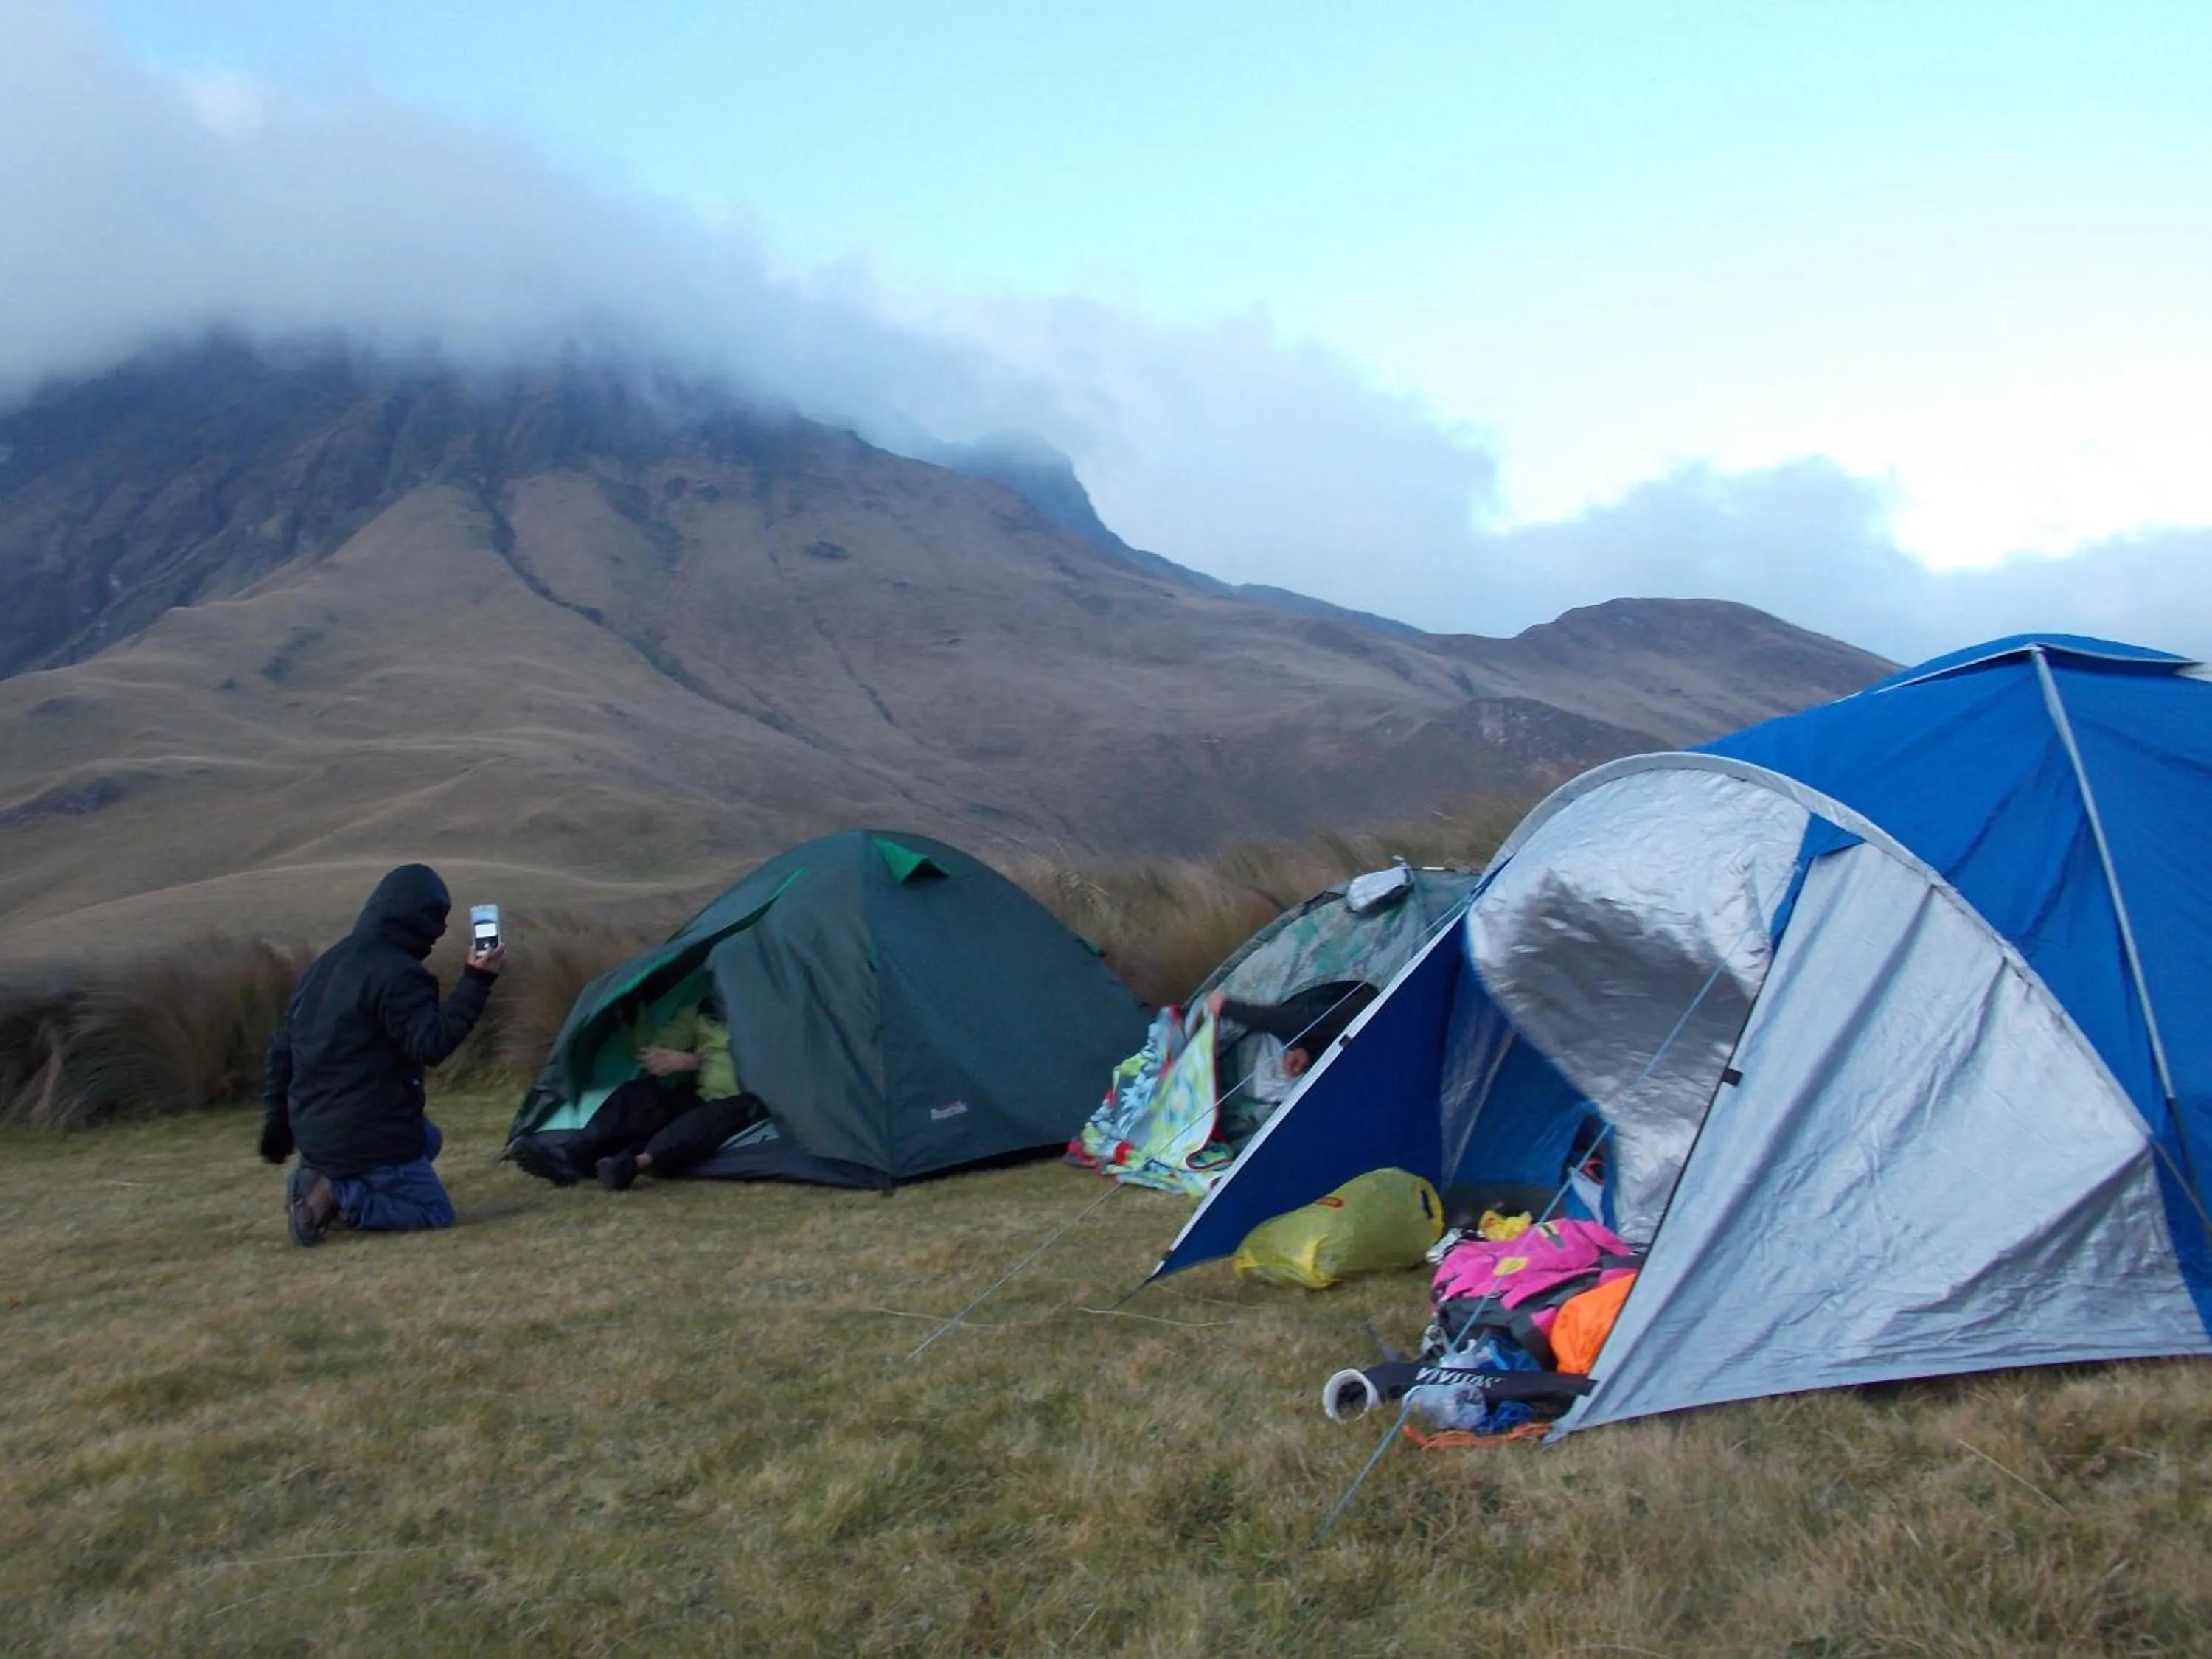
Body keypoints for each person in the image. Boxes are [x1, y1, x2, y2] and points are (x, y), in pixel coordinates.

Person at [259, 863, 504, 1246]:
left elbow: (281, 1051)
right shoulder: (399, 974)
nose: (438, 934)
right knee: (434, 1212)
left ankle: (326, 1172)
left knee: (429, 1140)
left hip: (315, 1129)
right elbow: (433, 1044)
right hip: (364, 1132)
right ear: (416, 919)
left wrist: (277, 1127)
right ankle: (334, 1196)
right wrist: (478, 981)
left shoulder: (322, 968)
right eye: (435, 921)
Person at [509, 990, 768, 1192]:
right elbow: (655, 1049)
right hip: (701, 1097)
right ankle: (568, 1154)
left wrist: (693, 1062)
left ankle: (635, 1164)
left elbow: (760, 1068)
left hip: (748, 1104)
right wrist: (636, 1021)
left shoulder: (770, 1015)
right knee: (640, 1095)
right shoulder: (703, 1011)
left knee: (714, 1115)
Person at [1206, 979, 1379, 1102]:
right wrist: (1307, 1051)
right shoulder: (1362, 1005)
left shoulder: (1371, 1009)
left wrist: (1229, 1008)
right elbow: (1326, 1024)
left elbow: (1301, 1020)